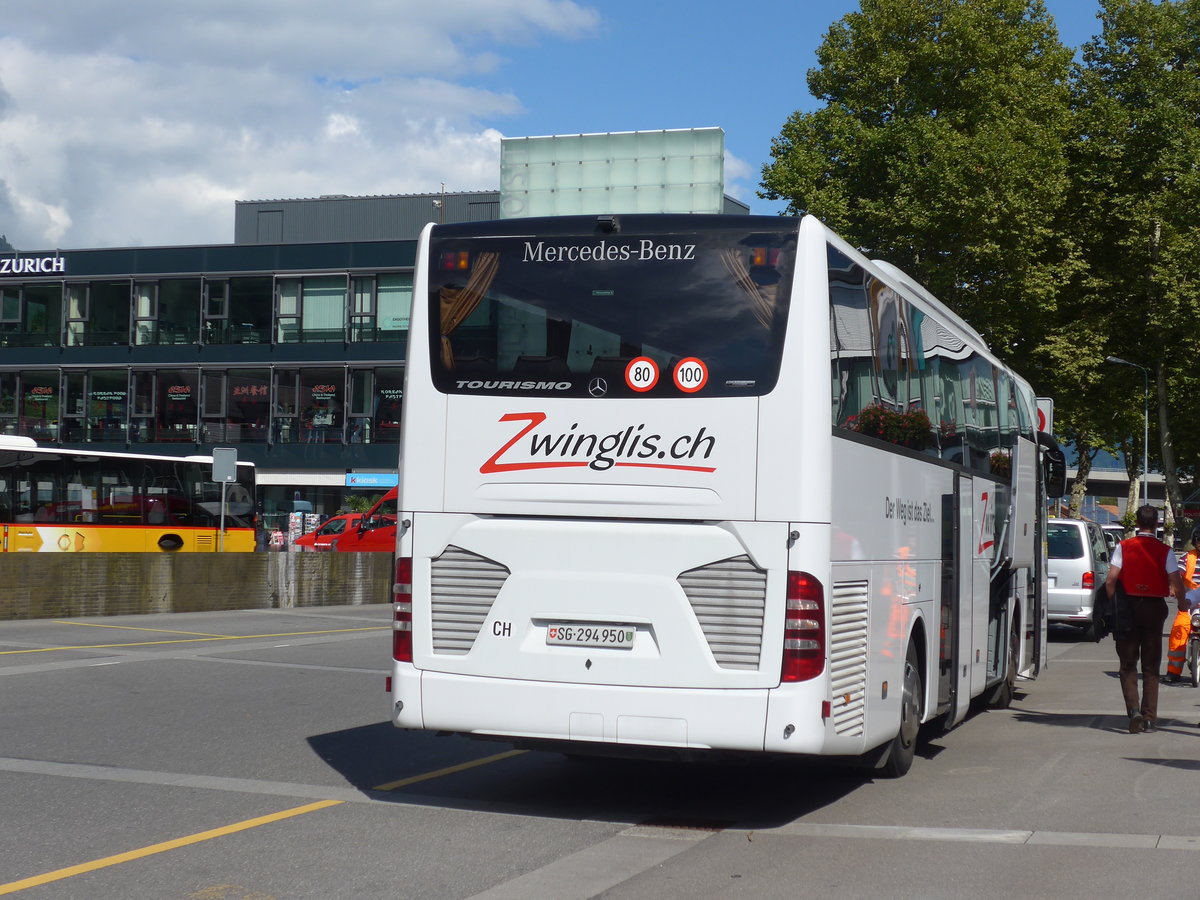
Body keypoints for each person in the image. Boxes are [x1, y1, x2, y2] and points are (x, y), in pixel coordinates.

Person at [1104, 505, 1187, 733]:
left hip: (1128, 607)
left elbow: (1111, 580)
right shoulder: (1165, 551)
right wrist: (1182, 604)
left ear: (1137, 523)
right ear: (1157, 523)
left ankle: (1134, 711)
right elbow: (1176, 581)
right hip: (1153, 609)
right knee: (1151, 666)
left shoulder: (1124, 547)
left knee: (1127, 664)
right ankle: (1149, 718)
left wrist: (1114, 604)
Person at [1164, 525, 1200, 683]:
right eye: (1198, 540)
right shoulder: (1187, 557)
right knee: (1179, 629)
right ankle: (1173, 671)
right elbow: (1178, 573)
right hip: (1189, 603)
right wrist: (1173, 586)